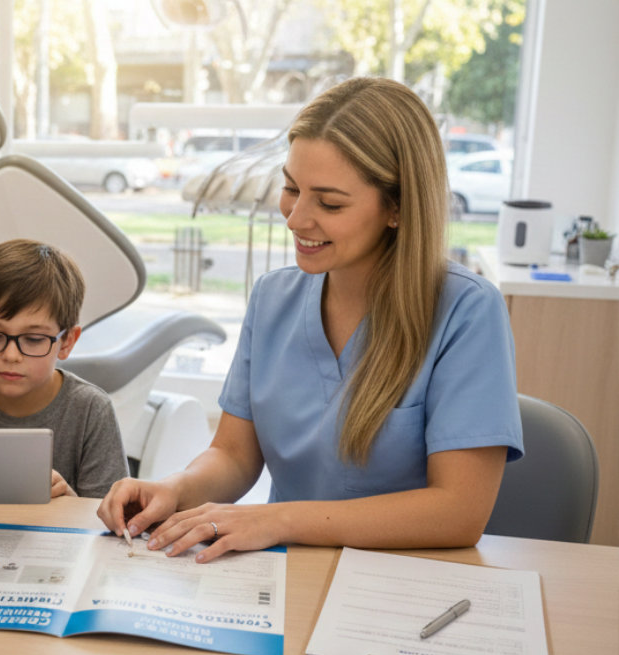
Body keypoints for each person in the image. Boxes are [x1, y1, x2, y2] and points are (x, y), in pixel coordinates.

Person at [98, 77, 523, 561]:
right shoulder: (273, 298)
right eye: (290, 188)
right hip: (288, 572)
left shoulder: (466, 313)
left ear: (397, 208)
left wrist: (277, 518)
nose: (296, 218)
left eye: (329, 202)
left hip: (406, 582)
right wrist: (175, 488)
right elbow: (235, 455)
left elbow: (459, 512)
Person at [0, 239, 128, 498]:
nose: (11, 355)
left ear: (67, 342)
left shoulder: (90, 410)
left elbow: (108, 521)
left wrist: (69, 499)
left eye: (33, 340)